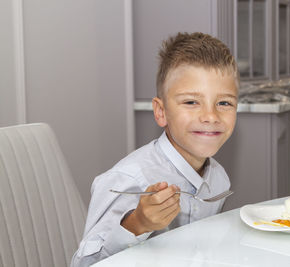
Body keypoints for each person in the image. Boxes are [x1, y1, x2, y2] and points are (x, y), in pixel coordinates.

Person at [71, 32, 239, 267]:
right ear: (161, 112)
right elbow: (83, 264)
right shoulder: (128, 180)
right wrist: (138, 222)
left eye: (224, 103)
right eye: (191, 102)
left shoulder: (219, 179)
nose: (210, 116)